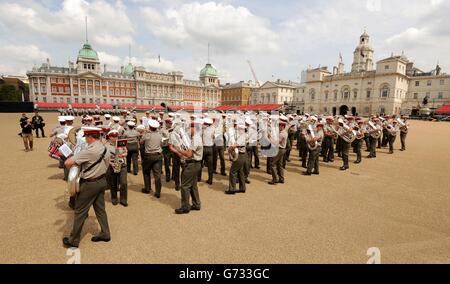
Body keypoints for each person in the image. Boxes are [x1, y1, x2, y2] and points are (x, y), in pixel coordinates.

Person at [63, 127, 111, 248]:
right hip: (102, 181)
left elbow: (67, 163)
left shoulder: (89, 151)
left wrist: (75, 161)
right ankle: (105, 233)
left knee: (80, 211)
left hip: (90, 184)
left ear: (90, 137)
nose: (85, 139)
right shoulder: (104, 147)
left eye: (86, 137)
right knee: (100, 210)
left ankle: (73, 240)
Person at [170, 122, 203, 214]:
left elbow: (189, 154)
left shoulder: (196, 139)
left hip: (192, 164)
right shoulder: (195, 138)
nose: (188, 130)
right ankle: (196, 204)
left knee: (184, 186)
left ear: (194, 128)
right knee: (193, 185)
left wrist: (178, 150)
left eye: (190, 128)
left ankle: (185, 207)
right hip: (195, 164)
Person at [140, 120, 163, 198]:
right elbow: (161, 143)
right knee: (157, 175)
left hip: (149, 156)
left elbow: (141, 142)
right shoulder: (160, 135)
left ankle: (147, 188)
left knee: (146, 172)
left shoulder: (146, 135)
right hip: (158, 155)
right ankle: (158, 192)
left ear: (150, 127)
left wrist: (145, 132)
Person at [105, 130, 128, 206]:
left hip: (122, 164)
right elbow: (105, 158)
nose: (115, 138)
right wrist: (110, 163)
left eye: (116, 136)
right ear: (110, 137)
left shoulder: (121, 143)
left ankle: (123, 200)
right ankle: (114, 198)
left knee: (123, 183)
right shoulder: (106, 146)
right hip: (113, 165)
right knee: (113, 183)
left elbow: (126, 152)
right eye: (113, 137)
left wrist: (123, 155)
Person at [226, 123, 247, 194]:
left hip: (240, 156)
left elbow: (235, 145)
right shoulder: (243, 135)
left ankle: (232, 189)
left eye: (238, 129)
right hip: (242, 156)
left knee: (232, 172)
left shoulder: (242, 136)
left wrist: (229, 149)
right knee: (240, 171)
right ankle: (242, 188)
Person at [268, 120, 288, 185]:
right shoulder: (283, 132)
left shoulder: (282, 133)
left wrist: (270, 137)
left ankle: (275, 179)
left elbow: (276, 143)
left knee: (272, 164)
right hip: (281, 149)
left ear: (282, 126)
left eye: (279, 125)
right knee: (279, 164)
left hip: (279, 149)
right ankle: (281, 178)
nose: (278, 127)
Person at [200, 117, 215, 184]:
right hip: (210, 148)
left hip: (204, 148)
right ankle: (210, 179)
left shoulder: (202, 129)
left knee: (200, 163)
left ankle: (198, 178)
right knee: (210, 165)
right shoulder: (213, 129)